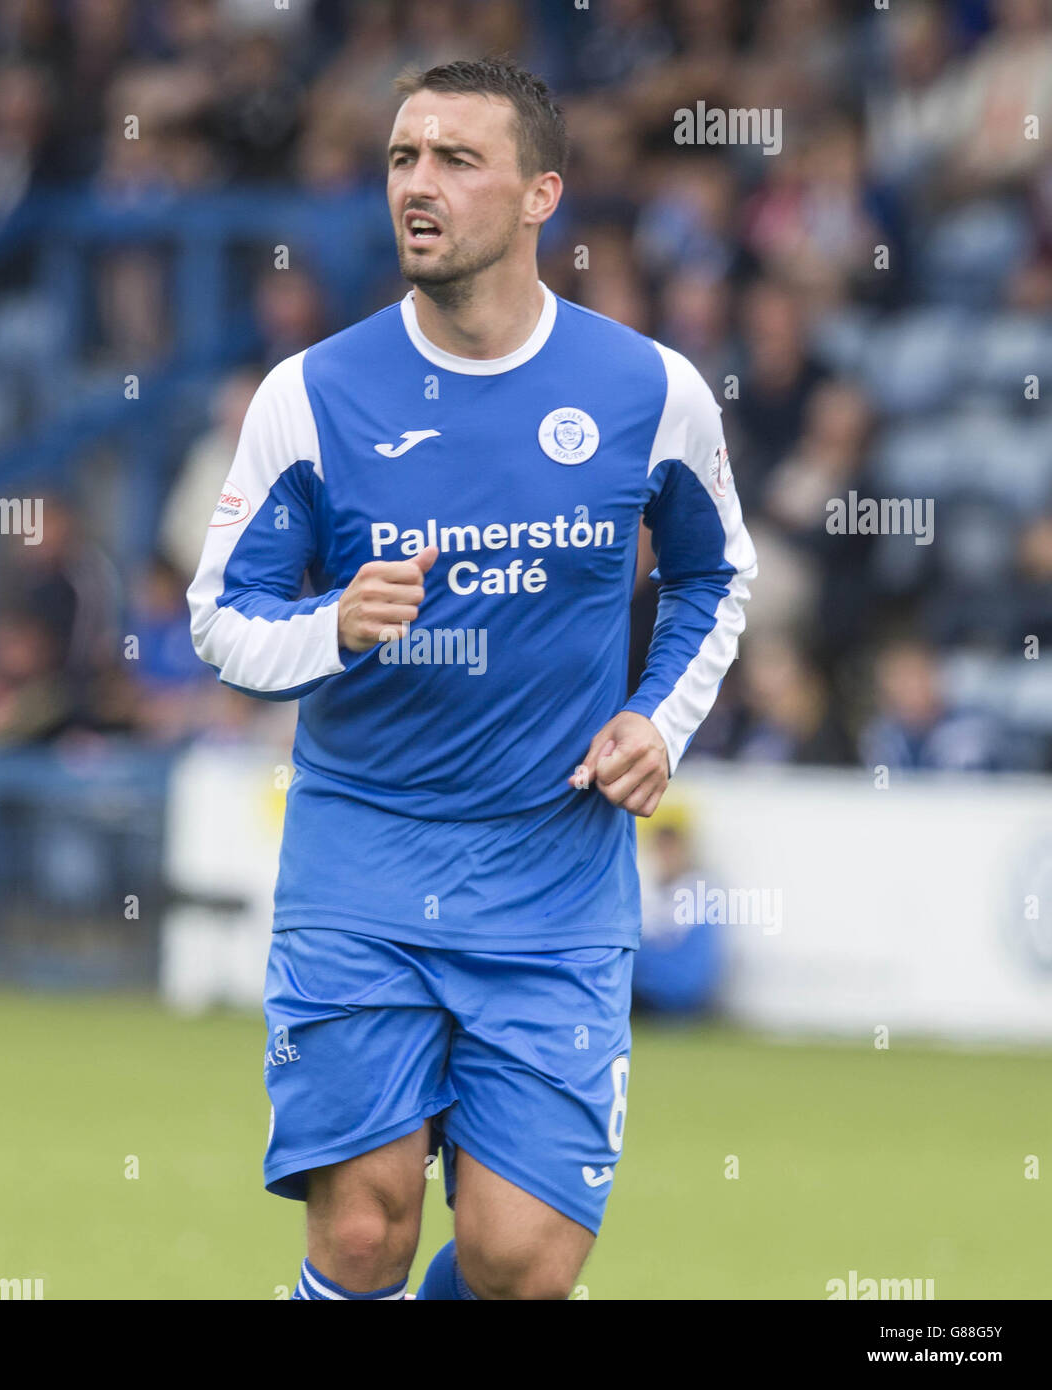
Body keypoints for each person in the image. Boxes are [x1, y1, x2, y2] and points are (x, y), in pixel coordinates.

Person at [188, 57, 757, 1301]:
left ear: (541, 192)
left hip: (553, 876)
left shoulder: (649, 390)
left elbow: (718, 578)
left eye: (456, 159)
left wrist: (657, 718)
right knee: (360, 1236)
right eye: (402, 158)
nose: (419, 185)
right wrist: (336, 625)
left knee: (524, 1263)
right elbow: (221, 621)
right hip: (364, 862)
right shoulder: (314, 396)